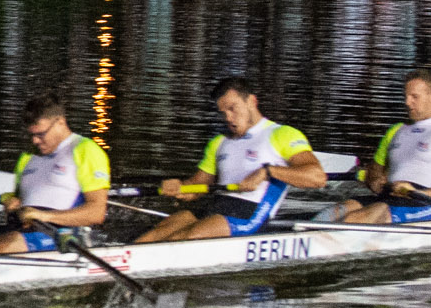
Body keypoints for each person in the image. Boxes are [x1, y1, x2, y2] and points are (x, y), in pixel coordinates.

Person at [134, 77, 327, 241]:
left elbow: (317, 178)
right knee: (150, 237)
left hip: (250, 212)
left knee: (186, 237)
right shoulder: (219, 142)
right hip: (215, 206)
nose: (228, 118)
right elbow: (197, 186)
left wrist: (268, 171)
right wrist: (179, 188)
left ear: (251, 101)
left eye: (233, 109)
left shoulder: (282, 134)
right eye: (223, 112)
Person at [0, 94, 110, 254]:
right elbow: (18, 203)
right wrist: (11, 202)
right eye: (31, 135)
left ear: (60, 122)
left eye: (40, 134)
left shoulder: (86, 150)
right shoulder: (28, 157)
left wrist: (44, 216)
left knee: (1, 245)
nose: (35, 141)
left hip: (63, 233)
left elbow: (96, 213)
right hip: (25, 228)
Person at [334, 68, 431, 225]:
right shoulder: (396, 130)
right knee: (333, 213)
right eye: (406, 96)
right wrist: (374, 179)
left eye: (414, 97)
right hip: (389, 197)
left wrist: (417, 193)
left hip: (427, 203)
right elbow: (375, 169)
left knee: (354, 219)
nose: (407, 102)